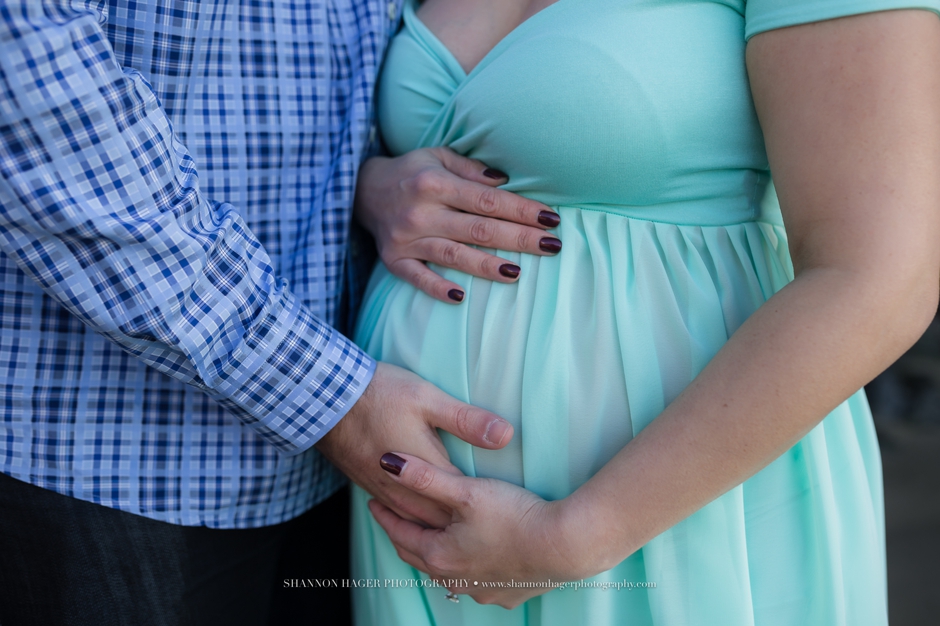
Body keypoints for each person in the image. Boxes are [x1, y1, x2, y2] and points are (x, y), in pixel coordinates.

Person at [347, 0, 940, 624]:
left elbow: (880, 279)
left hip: (672, 511)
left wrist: (570, 538)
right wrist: (376, 190)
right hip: (423, 529)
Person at [0, 1, 559, 623]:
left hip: (351, 476)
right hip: (108, 455)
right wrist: (329, 397)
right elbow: (31, 90)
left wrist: (368, 183)